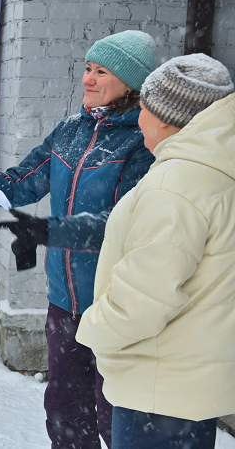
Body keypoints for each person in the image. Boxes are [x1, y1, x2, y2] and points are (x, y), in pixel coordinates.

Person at [0, 30, 158, 448]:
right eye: (88, 69)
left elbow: (122, 223)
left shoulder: (143, 144)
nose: (88, 79)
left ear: (130, 84)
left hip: (117, 304)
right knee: (63, 410)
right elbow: (20, 185)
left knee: (118, 416)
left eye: (101, 72)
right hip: (65, 302)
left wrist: (50, 231)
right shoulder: (70, 131)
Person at [76, 54, 235, 449]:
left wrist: (94, 329)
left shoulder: (174, 186)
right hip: (191, 386)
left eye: (143, 109)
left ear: (165, 118)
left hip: (158, 391)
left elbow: (144, 298)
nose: (139, 120)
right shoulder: (214, 173)